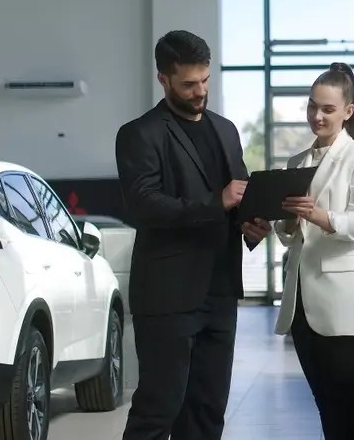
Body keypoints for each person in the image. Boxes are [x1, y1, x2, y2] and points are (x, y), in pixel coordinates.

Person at [115, 30, 271, 440]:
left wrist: (251, 223)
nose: (200, 91)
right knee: (159, 407)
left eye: (205, 80)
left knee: (207, 411)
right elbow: (144, 205)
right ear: (163, 78)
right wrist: (215, 202)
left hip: (220, 293)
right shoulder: (139, 134)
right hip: (168, 297)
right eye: (189, 84)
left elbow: (235, 200)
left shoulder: (226, 130)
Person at [260, 62, 354, 440]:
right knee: (323, 401)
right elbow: (289, 236)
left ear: (348, 111)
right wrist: (290, 223)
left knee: (343, 400)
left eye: (327, 109)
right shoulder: (296, 162)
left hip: (342, 300)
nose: (317, 115)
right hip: (300, 302)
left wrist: (318, 214)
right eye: (312, 106)